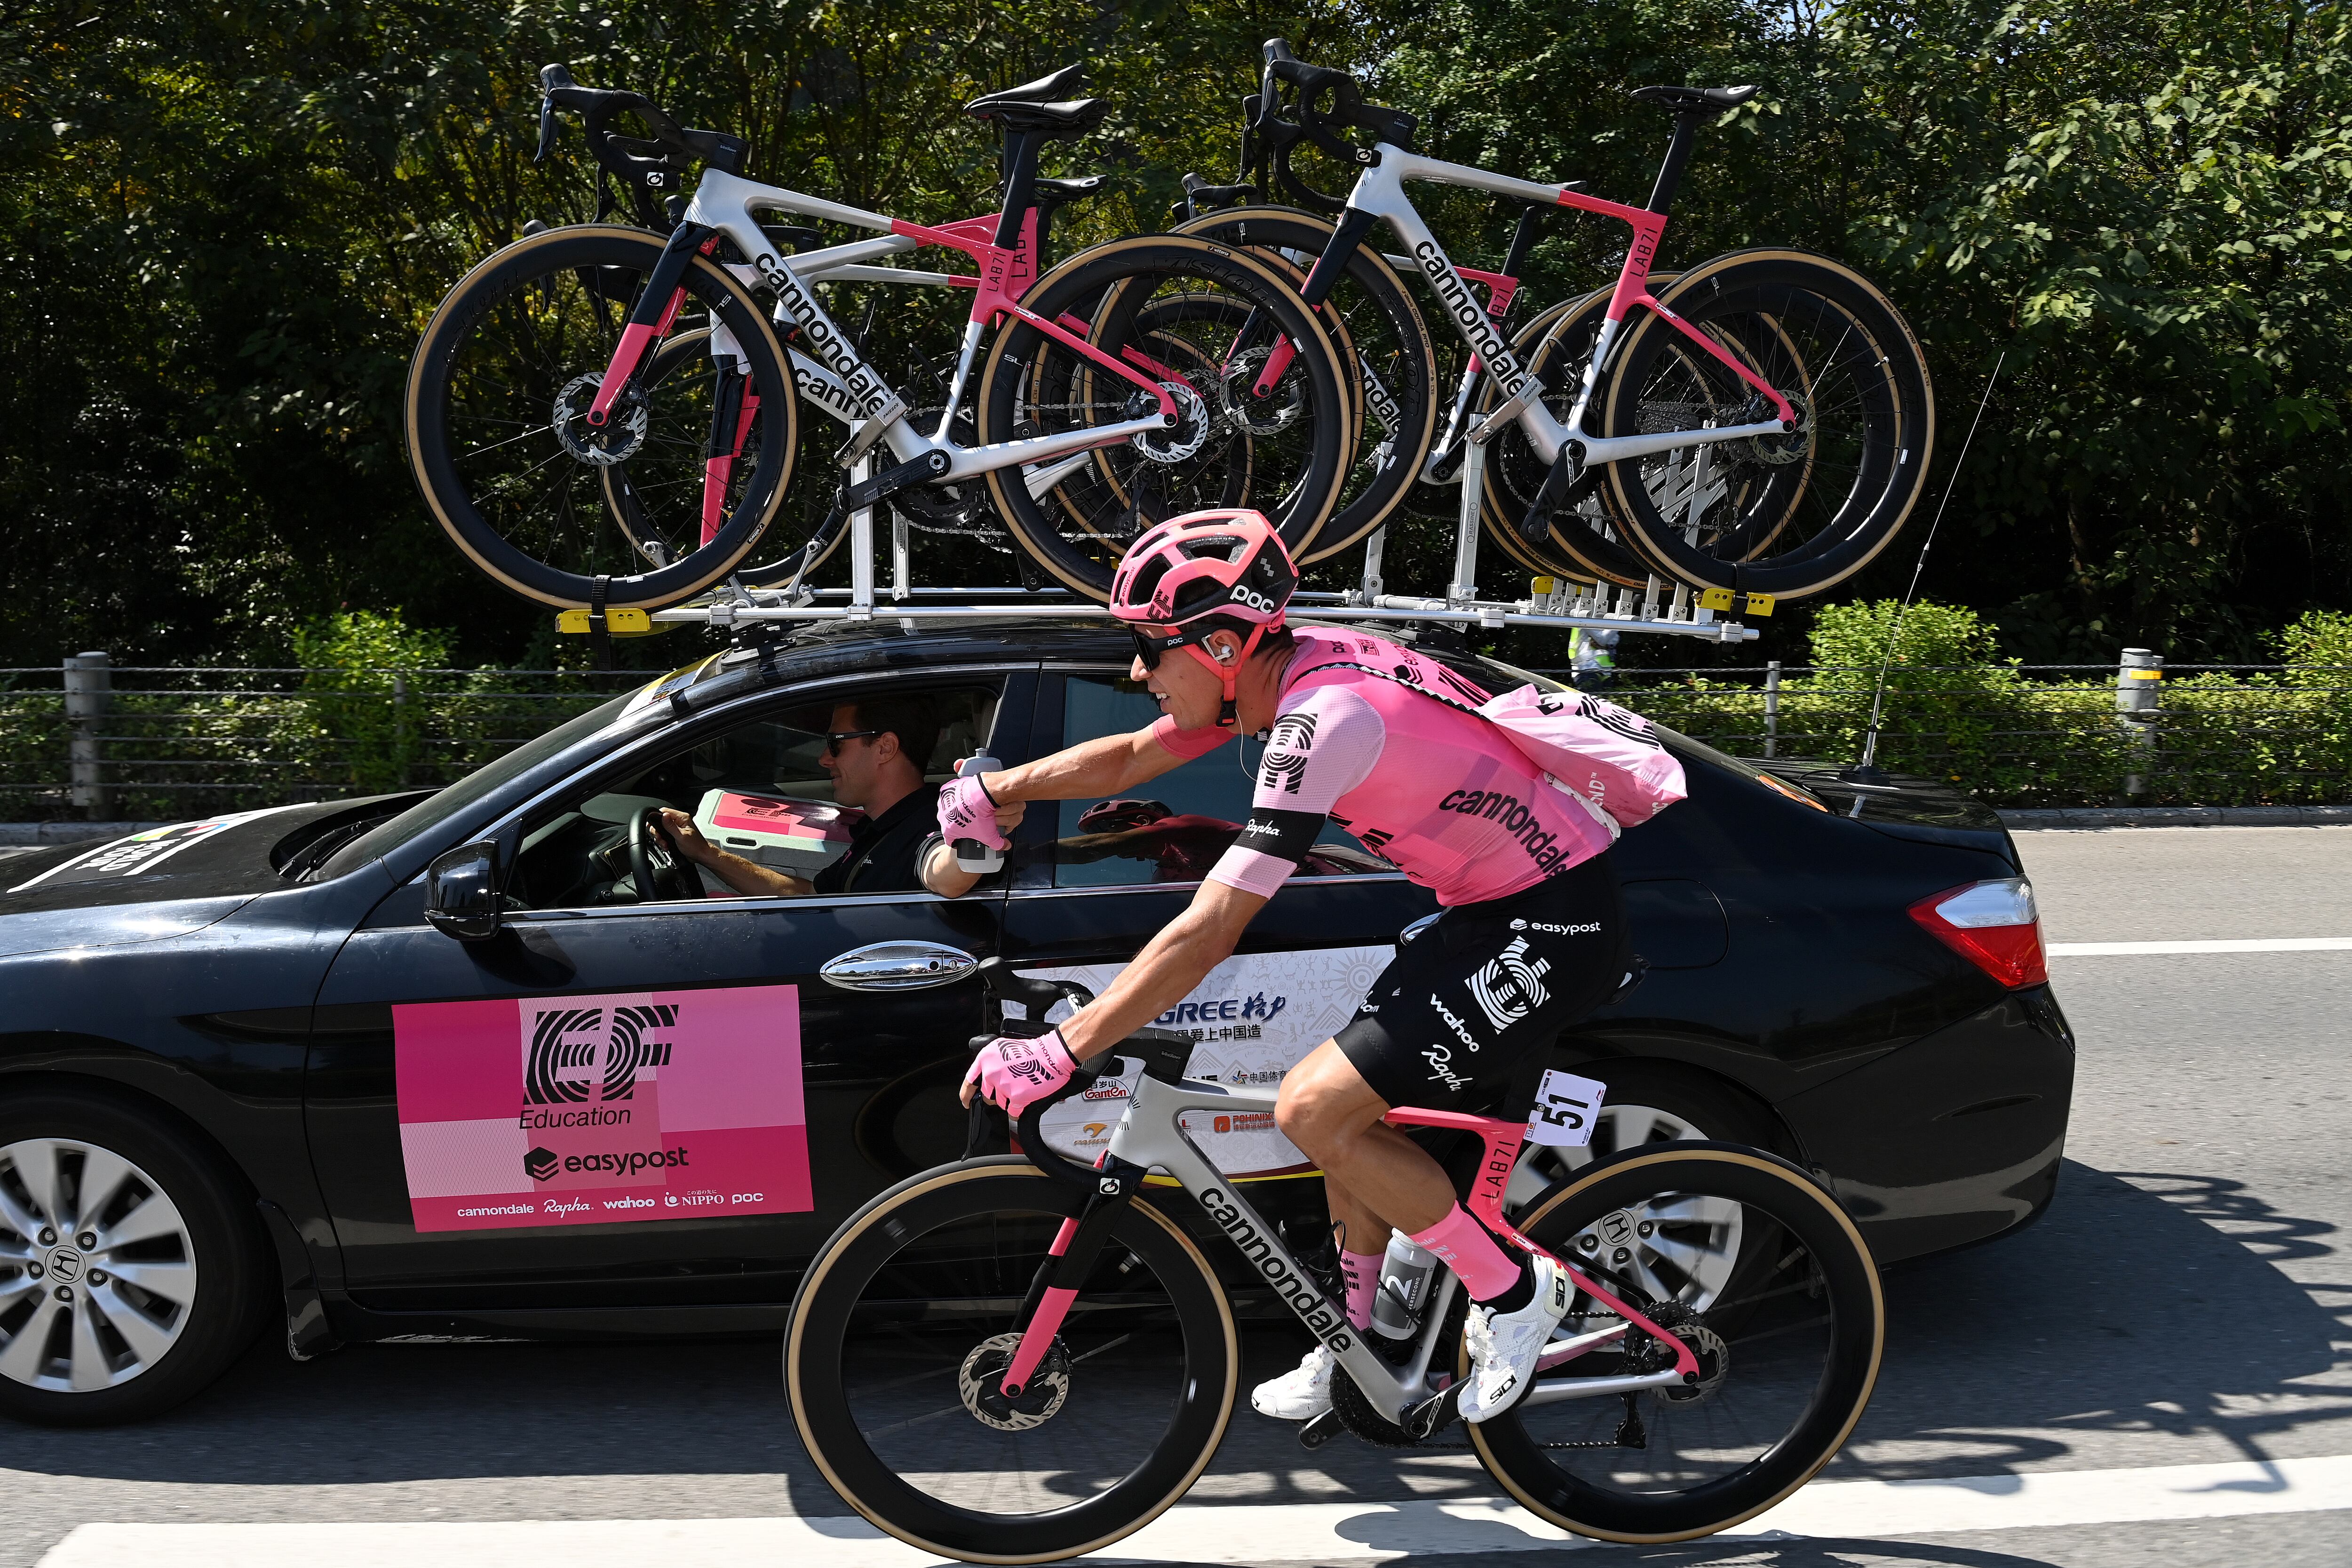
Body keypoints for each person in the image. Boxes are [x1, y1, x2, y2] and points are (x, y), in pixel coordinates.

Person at [937, 509, 1640, 1427]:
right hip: (1488, 910)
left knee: (1315, 1107)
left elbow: (1212, 927)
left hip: (1554, 923)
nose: (1139, 672)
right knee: (1339, 1103)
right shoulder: (1288, 666)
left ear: (1222, 646)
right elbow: (1138, 754)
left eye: (1150, 648)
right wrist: (998, 789)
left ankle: (1513, 1293)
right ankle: (1364, 1339)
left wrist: (1064, 1048)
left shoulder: (1320, 721)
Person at [661, 696, 1011, 896]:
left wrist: (974, 824)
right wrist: (706, 853)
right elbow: (806, 895)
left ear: (885, 747)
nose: (824, 759)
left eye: (835, 744)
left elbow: (943, 875)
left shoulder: (931, 824)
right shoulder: (883, 827)